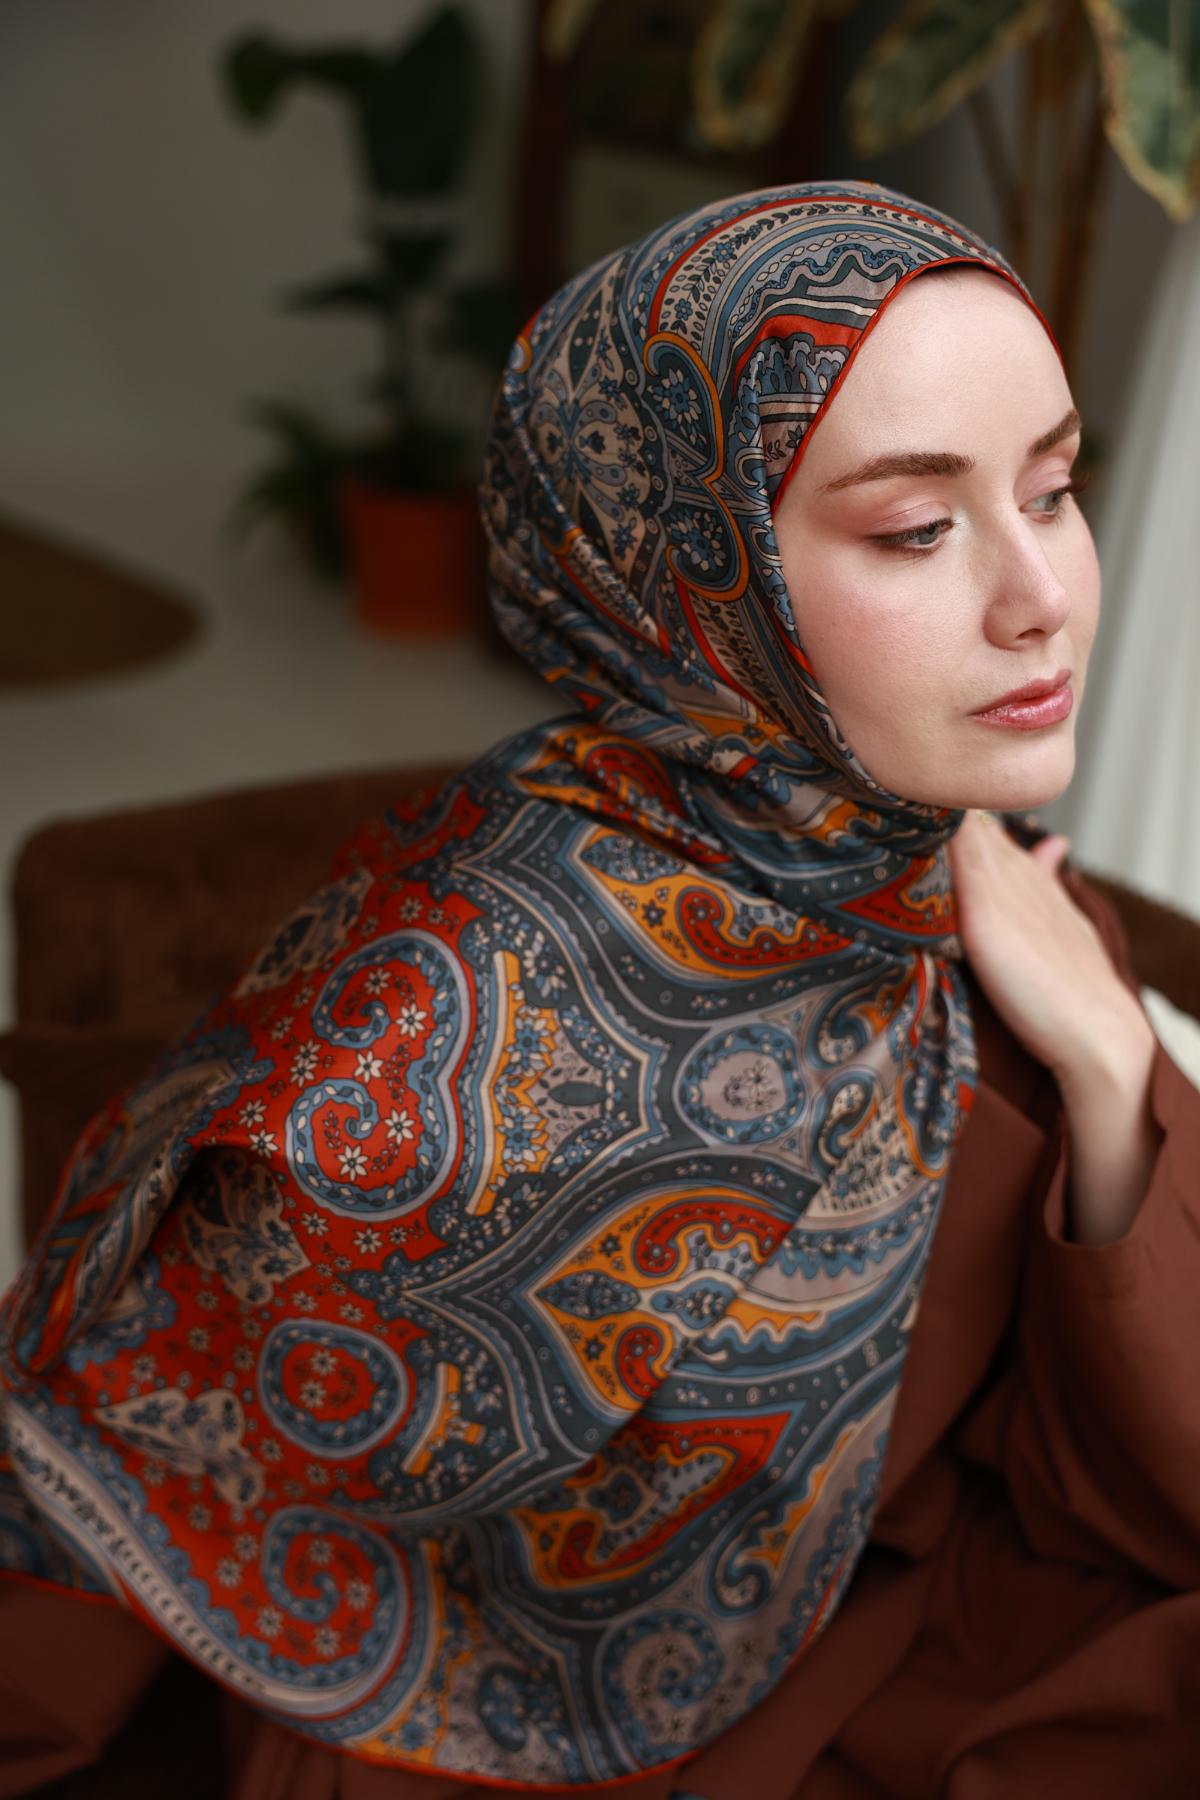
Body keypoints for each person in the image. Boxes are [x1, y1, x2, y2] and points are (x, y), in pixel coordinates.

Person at [0, 180, 1197, 1799]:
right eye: (917, 530)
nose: (1041, 594)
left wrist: (1113, 1073)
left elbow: (1137, 1462)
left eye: (1054, 490)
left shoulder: (967, 883)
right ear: (689, 570)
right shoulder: (454, 1011)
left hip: (933, 1642)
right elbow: (120, 1456)